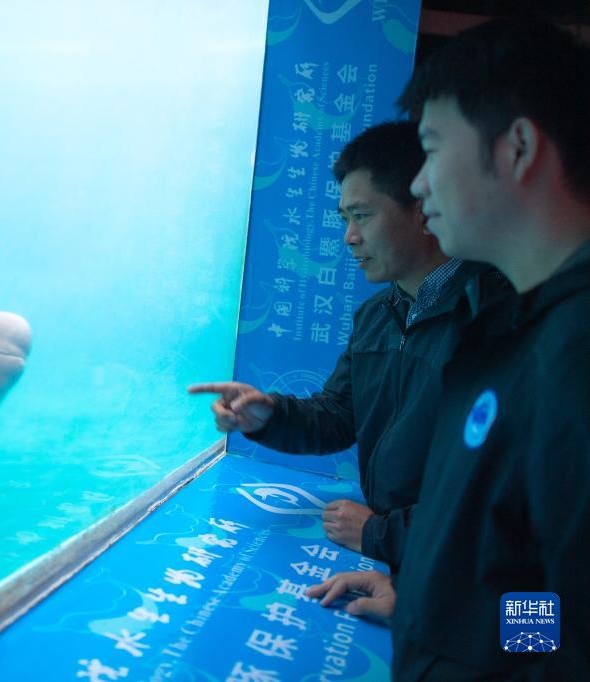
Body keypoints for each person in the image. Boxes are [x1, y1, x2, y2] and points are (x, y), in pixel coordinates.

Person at [308, 16, 590, 680]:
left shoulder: (572, 357)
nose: (418, 185)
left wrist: (463, 628)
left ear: (518, 148)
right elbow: (530, 578)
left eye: (432, 151)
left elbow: (572, 633)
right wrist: (427, 603)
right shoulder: (529, 330)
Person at [188, 121, 501, 570]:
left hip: (453, 567)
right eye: (344, 218)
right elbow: (339, 415)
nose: (349, 236)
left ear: (423, 206)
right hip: (405, 555)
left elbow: (498, 491)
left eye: (362, 215)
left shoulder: (492, 315)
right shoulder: (376, 315)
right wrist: (269, 415)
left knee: (525, 624)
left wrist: (381, 535)